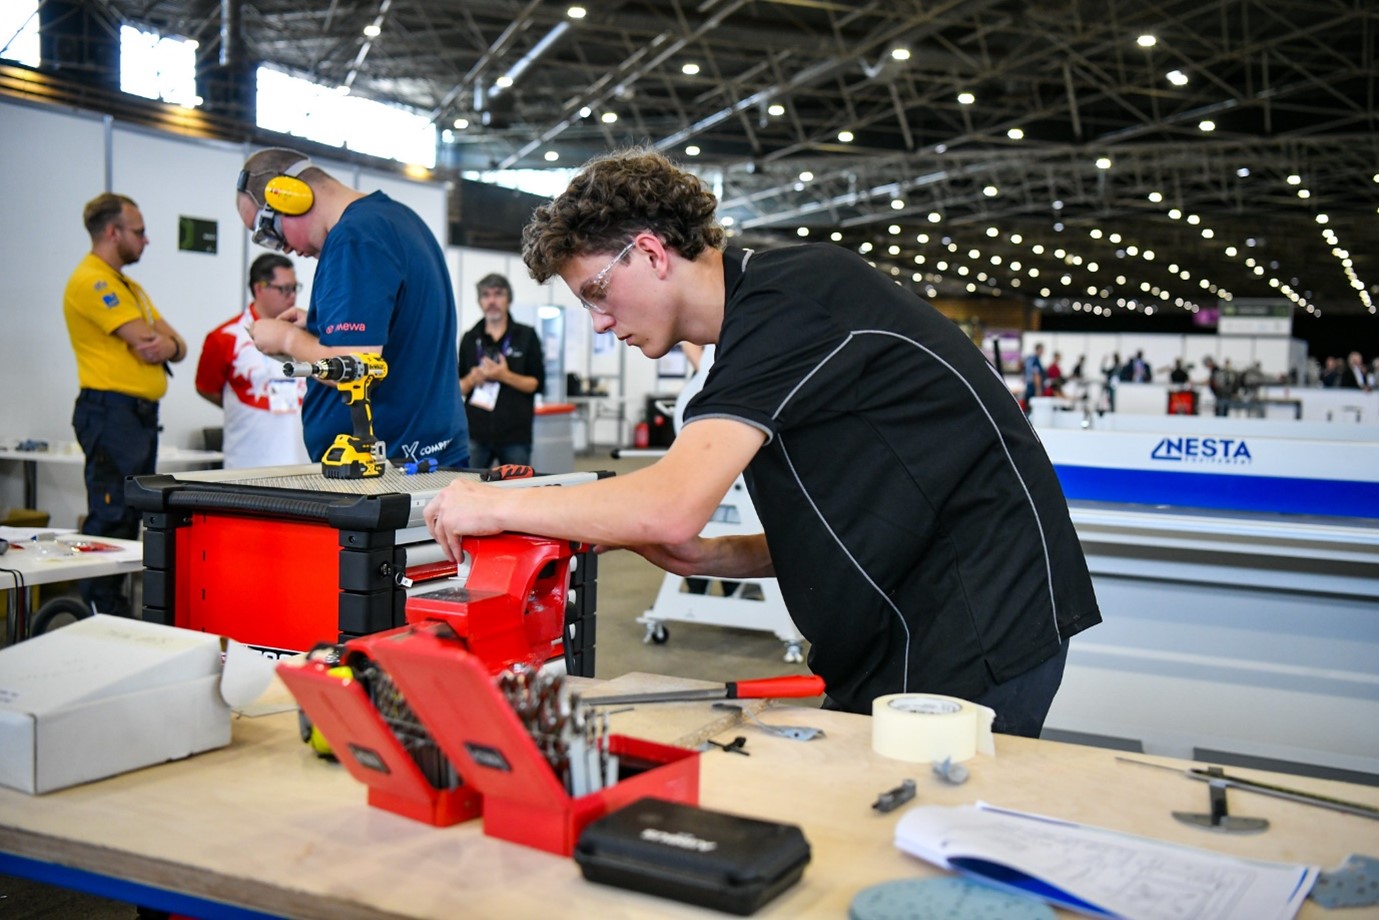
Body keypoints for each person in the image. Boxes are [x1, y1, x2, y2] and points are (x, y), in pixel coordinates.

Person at [425, 148, 1101, 737]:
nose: (599, 323)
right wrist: (707, 556)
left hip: (973, 629)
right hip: (901, 627)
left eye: (598, 292)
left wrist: (491, 506)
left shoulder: (795, 300)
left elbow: (669, 503)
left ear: (654, 252)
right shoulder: (758, 332)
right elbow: (855, 519)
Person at [235, 147, 468, 468]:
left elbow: (357, 366)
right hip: (416, 456)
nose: (282, 247)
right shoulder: (396, 218)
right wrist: (317, 325)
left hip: (388, 468)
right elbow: (399, 330)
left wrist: (287, 340)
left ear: (292, 197)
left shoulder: (354, 238)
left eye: (267, 229)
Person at [63, 193, 187, 617]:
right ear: (113, 233)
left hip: (134, 417)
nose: (146, 240)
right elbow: (144, 340)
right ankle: (100, 613)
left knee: (133, 513)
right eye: (139, 231)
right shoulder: (93, 281)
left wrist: (169, 342)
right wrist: (164, 341)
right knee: (112, 515)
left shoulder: (128, 286)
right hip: (110, 412)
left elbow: (176, 345)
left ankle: (113, 610)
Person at [194, 253, 310, 469]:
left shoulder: (308, 334)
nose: (292, 296)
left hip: (303, 461)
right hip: (248, 462)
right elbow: (206, 388)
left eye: (295, 288)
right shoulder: (225, 336)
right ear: (259, 288)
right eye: (284, 288)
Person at [458, 273, 545, 467]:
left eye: (498, 294)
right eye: (486, 295)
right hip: (475, 433)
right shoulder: (469, 338)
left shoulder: (527, 336)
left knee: (517, 490)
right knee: (471, 488)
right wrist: (473, 378)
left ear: (509, 299)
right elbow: (457, 389)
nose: (492, 301)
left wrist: (503, 375)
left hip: (515, 434)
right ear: (480, 301)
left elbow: (535, 384)